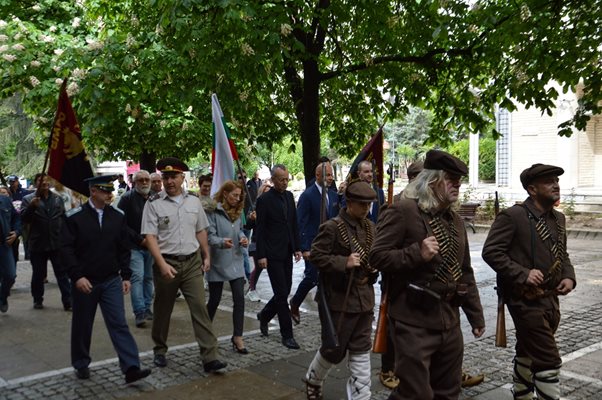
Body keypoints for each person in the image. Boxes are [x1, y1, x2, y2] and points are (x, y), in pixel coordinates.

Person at [369, 149, 485, 400]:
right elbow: (376, 256)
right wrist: (416, 253)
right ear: (432, 180)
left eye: (459, 180)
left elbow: (464, 270)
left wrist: (475, 315)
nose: (457, 184)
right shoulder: (403, 211)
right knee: (415, 394)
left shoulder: (454, 221)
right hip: (413, 320)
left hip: (449, 319)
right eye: (451, 179)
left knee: (448, 392)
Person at [482, 163, 576, 400]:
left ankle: (522, 395)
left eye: (557, 180)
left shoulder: (558, 218)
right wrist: (522, 273)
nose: (556, 185)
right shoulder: (513, 216)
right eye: (549, 182)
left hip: (550, 299)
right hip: (524, 299)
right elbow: (491, 252)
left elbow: (561, 254)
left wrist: (568, 276)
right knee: (548, 358)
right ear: (532, 190)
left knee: (527, 350)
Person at [61, 175, 151, 383]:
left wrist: (126, 275)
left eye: (111, 190)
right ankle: (81, 363)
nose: (110, 194)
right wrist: (77, 276)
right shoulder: (74, 217)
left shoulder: (117, 216)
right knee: (83, 324)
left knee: (119, 323)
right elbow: (65, 250)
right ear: (93, 191)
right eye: (105, 190)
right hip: (86, 281)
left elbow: (122, 248)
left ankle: (131, 368)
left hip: (111, 279)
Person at [141, 157, 226, 373]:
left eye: (174, 177)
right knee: (162, 310)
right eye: (166, 177)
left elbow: (201, 230)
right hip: (166, 263)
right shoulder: (153, 204)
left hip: (191, 263)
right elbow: (150, 237)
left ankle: (210, 356)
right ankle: (160, 349)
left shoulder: (194, 202)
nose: (170, 181)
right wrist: (160, 264)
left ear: (182, 178)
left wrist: (206, 255)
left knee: (200, 309)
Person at [303, 181, 378, 400]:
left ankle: (361, 396)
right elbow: (316, 256)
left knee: (362, 349)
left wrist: (374, 266)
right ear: (350, 203)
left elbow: (371, 255)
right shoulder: (333, 227)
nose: (366, 209)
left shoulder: (370, 227)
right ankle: (313, 379)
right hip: (339, 299)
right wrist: (343, 261)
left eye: (369, 204)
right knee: (333, 349)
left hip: (364, 298)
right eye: (362, 204)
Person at [255, 164, 302, 349]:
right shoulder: (264, 200)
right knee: (282, 295)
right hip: (272, 252)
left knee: (286, 288)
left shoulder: (290, 196)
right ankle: (287, 334)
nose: (285, 182)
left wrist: (297, 247)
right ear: (273, 180)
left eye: (287, 179)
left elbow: (293, 224)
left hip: (287, 250)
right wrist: (261, 255)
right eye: (281, 179)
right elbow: (260, 229)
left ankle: (265, 315)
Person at [289, 162, 338, 325]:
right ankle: (295, 302)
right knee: (312, 276)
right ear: (318, 176)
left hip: (329, 245)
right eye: (328, 175)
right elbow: (301, 223)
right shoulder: (307, 196)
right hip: (312, 245)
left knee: (328, 277)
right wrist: (304, 248)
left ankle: (327, 307)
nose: (331, 178)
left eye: (332, 175)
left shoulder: (332, 195)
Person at [206, 180, 249, 354]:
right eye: (234, 195)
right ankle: (205, 334)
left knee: (239, 297)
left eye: (239, 196)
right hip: (218, 262)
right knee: (214, 300)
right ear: (225, 194)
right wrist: (223, 242)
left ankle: (237, 336)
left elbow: (238, 230)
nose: (237, 199)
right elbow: (210, 237)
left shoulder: (238, 212)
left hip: (236, 260)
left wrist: (242, 237)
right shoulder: (213, 212)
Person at [21, 174, 72, 310]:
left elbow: (63, 218)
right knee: (38, 274)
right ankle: (38, 300)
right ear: (35, 183)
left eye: (46, 180)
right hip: (38, 243)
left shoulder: (57, 199)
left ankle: (68, 301)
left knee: (62, 274)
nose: (44, 182)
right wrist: (32, 207)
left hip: (56, 243)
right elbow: (24, 219)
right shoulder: (28, 199)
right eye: (40, 180)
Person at [117, 170, 154, 327]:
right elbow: (121, 224)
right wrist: (140, 240)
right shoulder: (126, 198)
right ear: (134, 182)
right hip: (134, 246)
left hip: (152, 245)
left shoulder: (155, 198)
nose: (145, 182)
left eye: (147, 179)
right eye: (141, 180)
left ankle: (147, 308)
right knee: (137, 277)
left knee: (148, 277)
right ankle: (139, 312)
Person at [245, 180, 272, 302]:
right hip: (258, 242)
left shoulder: (274, 206)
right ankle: (252, 289)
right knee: (259, 267)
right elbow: (248, 225)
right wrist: (252, 218)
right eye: (265, 192)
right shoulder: (255, 207)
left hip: (271, 242)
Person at [0, 192, 20, 313]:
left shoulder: (5, 201)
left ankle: (2, 297)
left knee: (10, 276)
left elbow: (16, 218)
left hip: (4, 245)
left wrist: (16, 232)